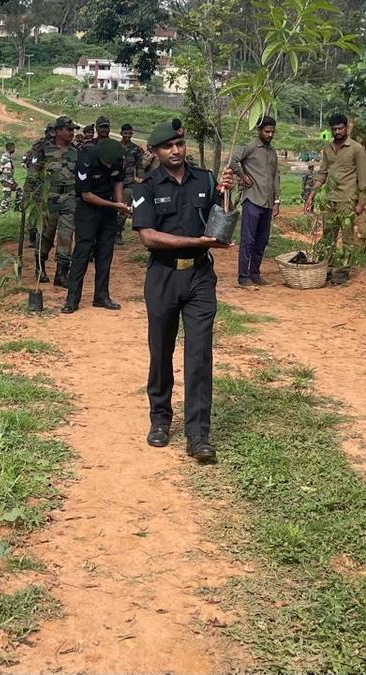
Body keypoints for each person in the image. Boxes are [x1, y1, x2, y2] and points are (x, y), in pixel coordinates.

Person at [130, 118, 234, 464]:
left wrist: (226, 191)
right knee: (161, 351)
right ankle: (160, 420)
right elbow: (148, 237)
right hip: (163, 276)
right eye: (167, 147)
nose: (175, 151)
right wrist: (196, 241)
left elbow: (220, 220)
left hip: (200, 276)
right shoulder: (145, 188)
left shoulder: (204, 179)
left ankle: (198, 434)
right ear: (155, 151)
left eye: (179, 144)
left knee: (199, 354)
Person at [62, 138, 131, 313]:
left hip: (108, 211)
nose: (110, 165)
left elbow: (118, 181)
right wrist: (115, 205)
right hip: (88, 210)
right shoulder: (85, 161)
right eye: (107, 162)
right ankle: (72, 299)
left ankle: (101, 296)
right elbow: (86, 195)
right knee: (82, 252)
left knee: (105, 253)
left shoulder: (117, 159)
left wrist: (120, 203)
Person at [304, 113, 366, 283]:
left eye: (340, 128)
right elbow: (322, 173)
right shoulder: (328, 148)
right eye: (334, 129)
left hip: (347, 200)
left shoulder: (356, 149)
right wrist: (312, 194)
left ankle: (343, 271)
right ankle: (327, 267)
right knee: (328, 235)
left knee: (347, 237)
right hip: (330, 199)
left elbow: (363, 177)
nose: (337, 132)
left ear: (346, 128)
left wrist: (361, 202)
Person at [228, 115, 280, 286]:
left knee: (262, 240)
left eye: (272, 132)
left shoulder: (272, 152)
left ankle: (255, 274)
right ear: (259, 130)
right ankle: (243, 277)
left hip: (267, 202)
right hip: (252, 199)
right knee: (248, 240)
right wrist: (243, 176)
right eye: (267, 131)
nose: (270, 135)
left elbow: (276, 176)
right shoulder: (250, 147)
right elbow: (232, 161)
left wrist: (277, 201)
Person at [30, 116, 80, 287]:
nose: (72, 133)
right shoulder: (44, 150)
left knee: (66, 235)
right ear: (58, 131)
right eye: (69, 129)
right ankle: (40, 266)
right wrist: (29, 195)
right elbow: (33, 174)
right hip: (49, 197)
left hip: (69, 197)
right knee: (46, 234)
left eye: (73, 130)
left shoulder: (75, 151)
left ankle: (62, 273)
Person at [21, 123, 55, 249]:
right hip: (36, 183)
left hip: (40, 183)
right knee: (36, 210)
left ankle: (39, 239)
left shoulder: (40, 146)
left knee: (42, 211)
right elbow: (34, 167)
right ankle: (34, 239)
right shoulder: (42, 147)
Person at [117, 123, 148, 246]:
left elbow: (139, 167)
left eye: (129, 133)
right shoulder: (116, 147)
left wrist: (143, 180)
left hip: (129, 182)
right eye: (125, 133)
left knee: (125, 208)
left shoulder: (135, 149)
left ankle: (118, 231)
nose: (127, 136)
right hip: (115, 182)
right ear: (121, 133)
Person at [0, 142, 21, 214]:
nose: (14, 150)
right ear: (10, 148)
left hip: (8, 180)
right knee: (6, 197)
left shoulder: (6, 158)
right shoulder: (6, 158)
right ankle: (2, 212)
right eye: (13, 148)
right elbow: (7, 172)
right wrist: (10, 182)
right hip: (7, 180)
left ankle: (17, 208)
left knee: (19, 191)